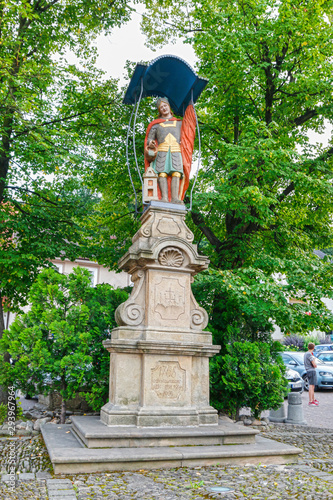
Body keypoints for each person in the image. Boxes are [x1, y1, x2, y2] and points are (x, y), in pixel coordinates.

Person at [144, 97, 196, 204]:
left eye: (165, 106)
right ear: (159, 110)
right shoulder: (156, 125)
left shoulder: (179, 123)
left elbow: (186, 134)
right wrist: (150, 143)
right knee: (161, 173)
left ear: (169, 106)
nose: (163, 108)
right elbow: (150, 138)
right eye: (161, 107)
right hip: (162, 150)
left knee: (176, 173)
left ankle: (175, 198)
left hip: (176, 150)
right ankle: (163, 198)